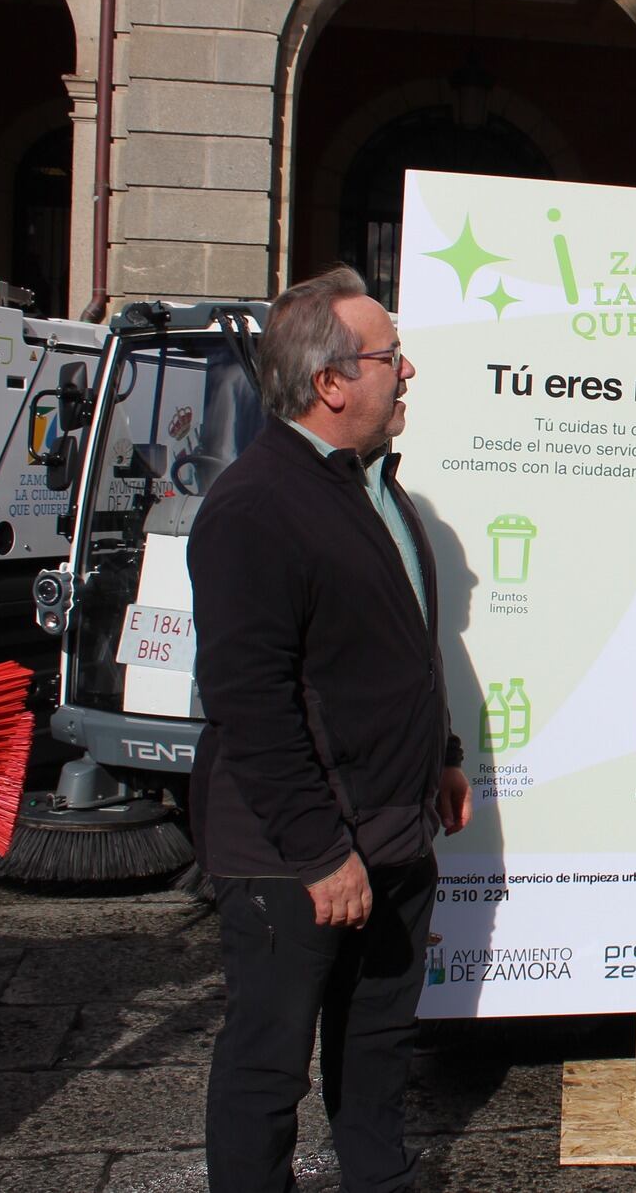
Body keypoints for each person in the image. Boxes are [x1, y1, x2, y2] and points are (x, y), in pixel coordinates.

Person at [189, 266, 472, 1192]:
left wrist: (440, 760)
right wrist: (318, 852)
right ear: (332, 381)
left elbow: (393, 654)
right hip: (294, 854)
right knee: (270, 1065)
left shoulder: (373, 489)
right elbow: (250, 698)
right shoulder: (255, 506)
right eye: (392, 355)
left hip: (391, 830)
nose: (409, 371)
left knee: (379, 1042)